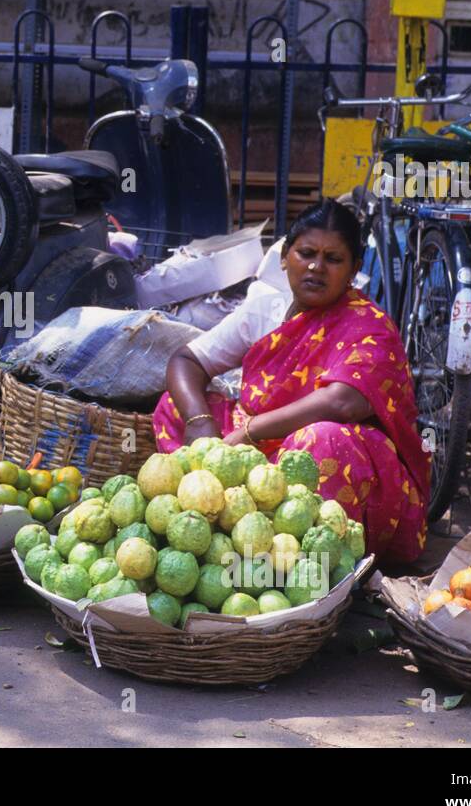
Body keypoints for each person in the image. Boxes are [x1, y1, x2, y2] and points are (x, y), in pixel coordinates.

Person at [153, 201, 431, 565]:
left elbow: (344, 402)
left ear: (354, 270)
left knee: (322, 440)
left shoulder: (370, 325)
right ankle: (210, 524)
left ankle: (311, 559)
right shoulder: (265, 306)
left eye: (333, 259)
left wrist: (247, 432)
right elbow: (187, 361)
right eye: (306, 253)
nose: (316, 267)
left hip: (329, 464)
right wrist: (200, 423)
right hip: (258, 456)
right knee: (175, 406)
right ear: (285, 257)